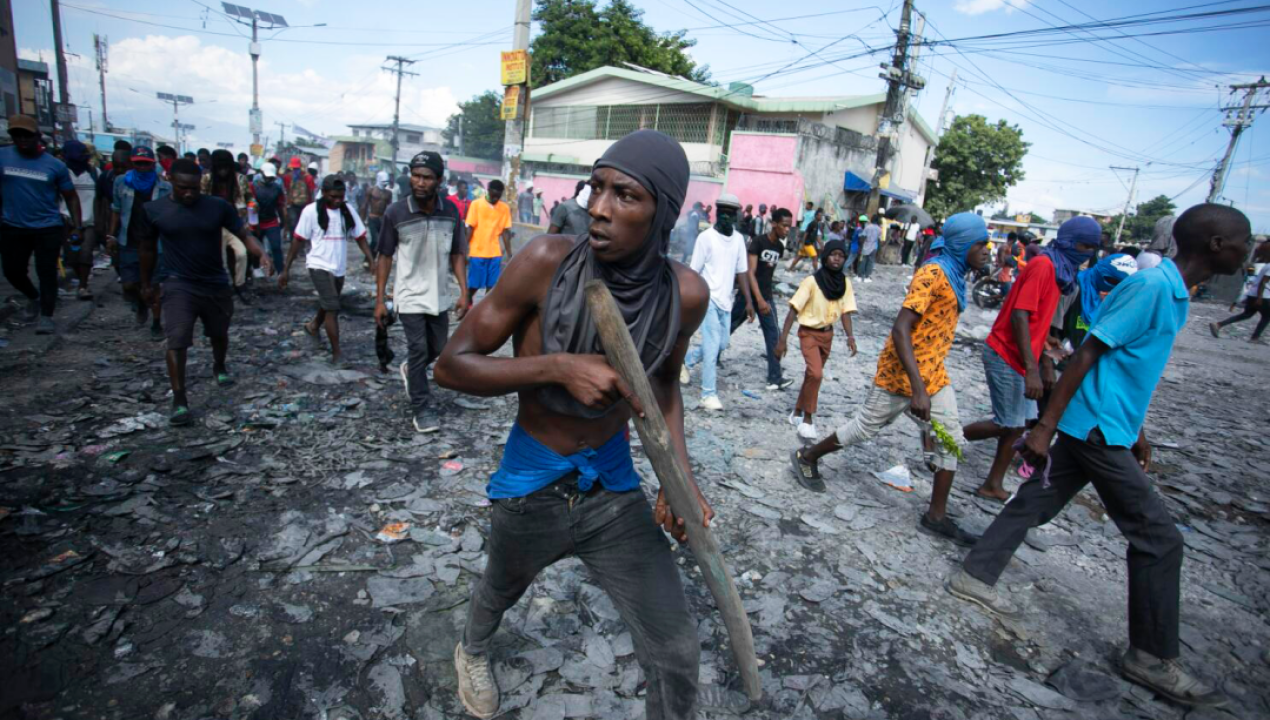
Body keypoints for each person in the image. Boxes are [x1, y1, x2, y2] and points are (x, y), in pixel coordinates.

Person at [433, 129, 710, 720]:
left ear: (663, 213)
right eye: (597, 187)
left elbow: (664, 385)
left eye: (625, 196)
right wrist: (556, 367)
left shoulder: (685, 294)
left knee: (676, 648)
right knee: (499, 588)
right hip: (532, 481)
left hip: (611, 485)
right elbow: (450, 366)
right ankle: (472, 649)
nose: (600, 209)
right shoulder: (545, 262)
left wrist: (678, 480)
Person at [947, 204, 1252, 710]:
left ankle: (973, 575)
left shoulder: (1173, 292)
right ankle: (1150, 655)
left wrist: (1138, 430)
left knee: (1036, 501)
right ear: (1217, 245)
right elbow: (1087, 353)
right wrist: (1044, 427)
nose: (1250, 251)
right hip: (1095, 429)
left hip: (1107, 424)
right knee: (1159, 539)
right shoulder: (1151, 288)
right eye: (1245, 242)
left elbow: (1127, 367)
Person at [791, 213, 992, 544]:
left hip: (934, 374)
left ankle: (936, 516)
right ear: (962, 244)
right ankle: (807, 456)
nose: (986, 250)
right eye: (980, 244)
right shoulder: (932, 274)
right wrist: (917, 389)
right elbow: (900, 329)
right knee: (864, 428)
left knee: (951, 439)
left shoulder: (956, 275)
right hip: (901, 374)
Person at [962, 217, 1098, 502]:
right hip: (1006, 353)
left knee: (1019, 423)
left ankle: (993, 483)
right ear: (1071, 242)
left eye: (1093, 247)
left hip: (1023, 355)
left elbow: (1034, 316)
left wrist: (1046, 342)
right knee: (1007, 423)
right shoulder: (1044, 266)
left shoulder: (1061, 272)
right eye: (1085, 246)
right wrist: (1033, 369)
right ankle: (944, 437)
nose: (1089, 253)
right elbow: (1019, 315)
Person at [136, 159, 272, 425]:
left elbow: (243, 234)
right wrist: (147, 283)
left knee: (219, 333)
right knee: (177, 340)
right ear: (170, 181)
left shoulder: (217, 207)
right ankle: (179, 400)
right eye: (182, 188)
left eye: (194, 188)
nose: (189, 193)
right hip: (178, 283)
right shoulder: (154, 210)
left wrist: (262, 254)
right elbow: (147, 249)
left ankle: (219, 365)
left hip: (215, 282)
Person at [375, 152, 469, 431]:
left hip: (438, 294)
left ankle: (410, 369)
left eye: (426, 177)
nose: (419, 182)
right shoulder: (396, 212)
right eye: (415, 176)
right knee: (418, 349)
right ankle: (421, 408)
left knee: (437, 348)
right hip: (408, 294)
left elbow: (457, 253)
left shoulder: (450, 211)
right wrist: (380, 299)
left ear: (439, 180)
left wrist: (464, 292)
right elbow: (385, 256)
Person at [0, 115, 82, 334]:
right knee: (12, 271)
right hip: (12, 225)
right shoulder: (3, 157)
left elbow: (71, 197)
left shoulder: (55, 165)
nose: (22, 139)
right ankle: (33, 296)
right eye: (17, 135)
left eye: (27, 135)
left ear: (37, 136)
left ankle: (47, 315)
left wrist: (77, 225)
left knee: (46, 272)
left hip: (47, 226)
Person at [281, 175, 372, 365]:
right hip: (318, 264)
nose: (337, 200)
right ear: (323, 193)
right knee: (332, 307)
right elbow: (298, 240)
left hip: (338, 266)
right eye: (333, 197)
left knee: (329, 301)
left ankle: (313, 326)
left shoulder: (347, 211)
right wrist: (286, 269)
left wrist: (371, 259)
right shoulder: (310, 211)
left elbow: (360, 236)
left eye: (340, 196)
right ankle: (337, 354)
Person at [776, 238, 857, 440]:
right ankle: (808, 420)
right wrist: (782, 339)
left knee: (812, 376)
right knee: (817, 374)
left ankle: (796, 412)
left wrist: (850, 336)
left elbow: (846, 312)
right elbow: (793, 310)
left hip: (827, 335)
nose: (837, 259)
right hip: (809, 333)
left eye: (841, 256)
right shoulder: (812, 282)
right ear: (825, 257)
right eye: (833, 255)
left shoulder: (845, 283)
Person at [681, 193, 754, 411]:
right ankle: (708, 394)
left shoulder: (739, 240)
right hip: (709, 299)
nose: (726, 217)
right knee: (712, 348)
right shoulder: (706, 238)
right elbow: (694, 271)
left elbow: (742, 272)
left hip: (726, 301)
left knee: (722, 344)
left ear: (736, 216)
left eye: (730, 214)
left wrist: (748, 301)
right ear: (716, 213)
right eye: (722, 213)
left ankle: (686, 360)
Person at [109, 147, 171, 336]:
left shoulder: (164, 187)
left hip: (154, 245)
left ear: (152, 165)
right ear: (132, 164)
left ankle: (156, 324)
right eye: (138, 164)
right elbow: (116, 210)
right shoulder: (121, 183)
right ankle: (141, 303)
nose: (142, 167)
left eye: (146, 164)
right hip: (129, 240)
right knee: (129, 284)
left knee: (154, 285)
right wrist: (111, 235)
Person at [748, 207, 793, 390]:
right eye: (784, 225)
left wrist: (766, 298)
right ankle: (699, 359)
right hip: (749, 297)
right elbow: (750, 273)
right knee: (727, 329)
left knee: (773, 334)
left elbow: (768, 274)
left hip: (766, 297)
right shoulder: (758, 242)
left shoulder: (779, 247)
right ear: (774, 224)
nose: (787, 230)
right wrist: (758, 300)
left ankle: (774, 378)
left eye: (789, 226)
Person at [201, 149, 255, 303]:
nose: (223, 171)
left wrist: (253, 206)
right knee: (216, 258)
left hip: (235, 223)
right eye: (220, 167)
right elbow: (201, 200)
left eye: (226, 167)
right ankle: (217, 287)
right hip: (213, 225)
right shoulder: (207, 179)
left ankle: (239, 284)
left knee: (241, 254)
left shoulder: (240, 179)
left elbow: (249, 197)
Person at [60, 140, 100, 301]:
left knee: (85, 253)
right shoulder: (62, 172)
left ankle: (83, 286)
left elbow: (101, 198)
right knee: (71, 257)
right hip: (66, 222)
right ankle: (81, 279)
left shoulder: (94, 173)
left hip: (88, 222)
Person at [1210, 239, 1270, 342]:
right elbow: (1263, 283)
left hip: (1253, 294)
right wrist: (1259, 298)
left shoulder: (1266, 265)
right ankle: (1254, 338)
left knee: (1247, 314)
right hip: (1262, 296)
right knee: (1267, 317)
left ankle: (1218, 324)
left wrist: (1247, 296)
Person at [465, 179, 513, 306]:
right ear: (488, 190)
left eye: (498, 196)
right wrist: (464, 248)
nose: (495, 198)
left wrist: (509, 254)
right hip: (477, 252)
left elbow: (505, 232)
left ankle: (484, 309)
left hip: (495, 253)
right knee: (474, 285)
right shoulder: (476, 204)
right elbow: (470, 228)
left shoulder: (504, 208)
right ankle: (467, 304)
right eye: (493, 195)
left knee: (492, 286)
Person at [251, 162, 288, 274]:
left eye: (270, 177)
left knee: (276, 247)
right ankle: (256, 269)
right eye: (267, 176)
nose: (268, 179)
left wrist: (283, 220)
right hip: (257, 222)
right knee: (256, 247)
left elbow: (280, 205)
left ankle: (280, 271)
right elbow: (250, 206)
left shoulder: (277, 188)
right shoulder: (253, 186)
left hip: (271, 221)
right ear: (262, 173)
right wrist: (253, 223)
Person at [361, 172, 394, 258]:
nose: (385, 184)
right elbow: (365, 205)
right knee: (375, 240)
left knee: (381, 241)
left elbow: (390, 207)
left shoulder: (388, 193)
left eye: (386, 182)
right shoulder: (371, 190)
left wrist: (391, 221)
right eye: (383, 181)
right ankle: (369, 259)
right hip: (372, 218)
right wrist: (362, 220)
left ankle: (373, 259)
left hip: (382, 219)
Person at [282, 157, 315, 239]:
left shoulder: (308, 178)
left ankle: (301, 241)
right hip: (292, 205)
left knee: (304, 225)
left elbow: (311, 193)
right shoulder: (287, 177)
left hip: (305, 206)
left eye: (296, 168)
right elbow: (287, 192)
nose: (295, 170)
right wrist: (286, 205)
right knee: (293, 224)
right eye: (294, 168)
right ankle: (293, 241)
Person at [789, 208, 823, 273]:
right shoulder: (812, 223)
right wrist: (802, 244)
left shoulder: (816, 224)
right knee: (815, 257)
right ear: (816, 216)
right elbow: (805, 234)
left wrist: (820, 244)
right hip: (807, 244)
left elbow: (815, 236)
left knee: (799, 257)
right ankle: (816, 272)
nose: (821, 217)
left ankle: (790, 268)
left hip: (807, 244)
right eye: (820, 215)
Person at [857, 214, 882, 281]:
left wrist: (860, 247)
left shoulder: (867, 227)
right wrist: (879, 250)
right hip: (874, 247)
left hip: (866, 246)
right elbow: (879, 240)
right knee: (870, 262)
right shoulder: (879, 229)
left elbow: (863, 237)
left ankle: (860, 276)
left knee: (863, 261)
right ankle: (867, 277)